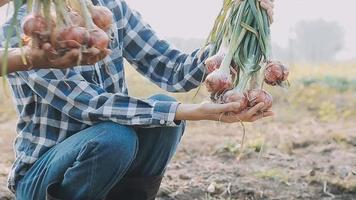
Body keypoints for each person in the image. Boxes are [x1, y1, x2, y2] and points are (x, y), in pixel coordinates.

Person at [0, 0, 274, 199]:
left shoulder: (109, 10)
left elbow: (172, 68)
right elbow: (90, 104)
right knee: (115, 136)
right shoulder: (29, 27)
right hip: (42, 176)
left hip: (111, 162)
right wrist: (191, 111)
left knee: (158, 121)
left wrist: (237, 30)